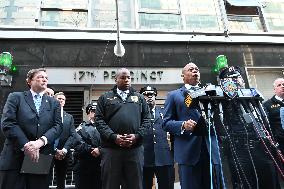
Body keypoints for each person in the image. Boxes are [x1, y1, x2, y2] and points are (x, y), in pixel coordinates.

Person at [218, 66, 280, 189]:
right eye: (232, 78)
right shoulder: (221, 101)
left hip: (260, 145)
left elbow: (264, 120)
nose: (237, 80)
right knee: (246, 182)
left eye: (238, 77)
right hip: (238, 148)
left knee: (269, 179)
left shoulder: (252, 95)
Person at [0, 68, 62, 189]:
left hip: (40, 156)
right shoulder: (15, 97)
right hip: (15, 156)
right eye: (40, 77)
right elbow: (8, 123)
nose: (44, 79)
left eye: (46, 78)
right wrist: (27, 146)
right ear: (29, 81)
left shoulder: (53, 103)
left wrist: (40, 142)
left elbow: (58, 126)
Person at [162, 63, 221, 189]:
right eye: (191, 69)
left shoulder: (210, 92)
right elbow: (166, 123)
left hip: (211, 149)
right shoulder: (174, 95)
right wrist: (183, 125)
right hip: (188, 152)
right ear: (183, 76)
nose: (195, 71)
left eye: (197, 69)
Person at [95, 68, 151, 189]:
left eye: (128, 78)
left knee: (135, 185)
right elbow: (99, 120)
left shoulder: (140, 98)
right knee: (110, 185)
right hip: (111, 150)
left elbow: (147, 120)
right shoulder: (104, 98)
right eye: (123, 77)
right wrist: (113, 137)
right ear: (116, 79)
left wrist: (136, 136)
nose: (126, 80)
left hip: (134, 150)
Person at [139, 86, 174, 189]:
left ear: (155, 96)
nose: (149, 97)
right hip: (144, 158)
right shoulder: (137, 114)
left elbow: (172, 133)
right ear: (142, 96)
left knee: (166, 186)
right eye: (146, 95)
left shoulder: (164, 112)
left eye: (152, 95)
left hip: (164, 157)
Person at [73, 102, 102, 189]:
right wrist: (91, 149)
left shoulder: (106, 127)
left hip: (101, 166)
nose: (95, 113)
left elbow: (110, 142)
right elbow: (77, 142)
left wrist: (100, 149)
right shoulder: (82, 127)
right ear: (88, 113)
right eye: (93, 111)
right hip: (84, 166)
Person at [53, 92, 76, 189]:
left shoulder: (69, 117)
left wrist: (65, 150)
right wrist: (54, 150)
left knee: (61, 179)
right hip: (49, 151)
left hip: (63, 153)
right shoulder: (48, 114)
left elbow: (72, 134)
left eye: (63, 99)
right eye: (59, 98)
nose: (61, 100)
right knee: (44, 177)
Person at [263, 78, 284, 153]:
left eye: (283, 84)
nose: (282, 86)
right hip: (281, 143)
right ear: (274, 89)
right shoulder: (267, 105)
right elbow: (266, 125)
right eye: (279, 85)